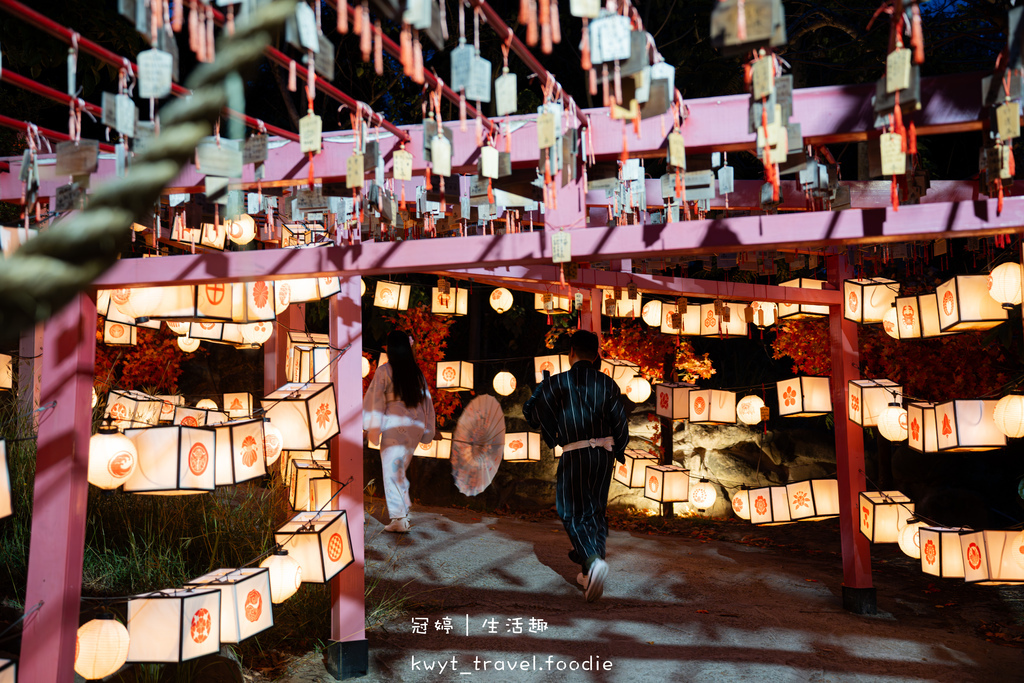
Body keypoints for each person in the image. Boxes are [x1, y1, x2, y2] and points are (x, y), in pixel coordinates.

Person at [523, 330, 629, 602]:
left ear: (571, 352)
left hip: (575, 452)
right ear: (596, 355)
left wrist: (542, 390)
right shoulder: (608, 384)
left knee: (570, 511)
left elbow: (531, 413)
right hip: (604, 454)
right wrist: (618, 450)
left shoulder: (558, 383)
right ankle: (588, 572)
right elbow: (620, 422)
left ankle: (593, 562)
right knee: (595, 511)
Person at [363, 330, 436, 533]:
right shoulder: (416, 373)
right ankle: (402, 513)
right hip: (414, 426)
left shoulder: (385, 370)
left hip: (394, 426)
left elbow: (376, 400)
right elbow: (427, 402)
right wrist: (428, 429)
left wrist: (372, 427)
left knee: (391, 472)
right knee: (399, 470)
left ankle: (399, 518)